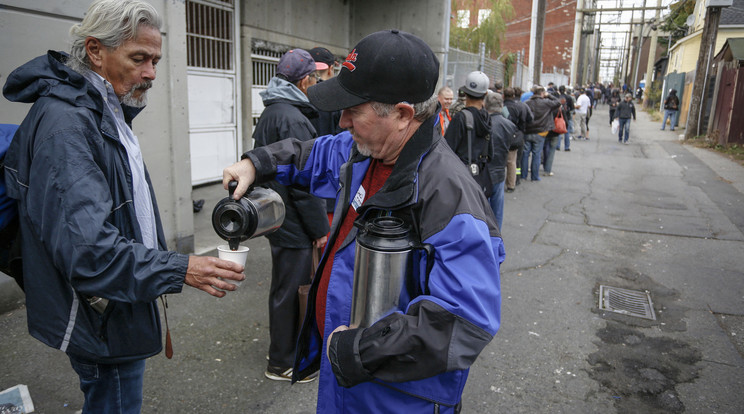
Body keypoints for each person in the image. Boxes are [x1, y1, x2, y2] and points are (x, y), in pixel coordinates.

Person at [223, 29, 503, 413]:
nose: (341, 122)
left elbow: (466, 322)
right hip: (348, 384)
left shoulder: (449, 196)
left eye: (353, 111)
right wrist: (257, 163)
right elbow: (311, 154)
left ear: (403, 115)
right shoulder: (366, 150)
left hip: (397, 398)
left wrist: (358, 351)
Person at [1, 1, 245, 413]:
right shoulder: (68, 125)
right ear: (95, 51)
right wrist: (180, 268)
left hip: (117, 300)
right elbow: (89, 252)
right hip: (102, 313)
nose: (151, 73)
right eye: (139, 58)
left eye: (155, 60)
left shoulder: (105, 108)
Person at [253, 49, 330, 382]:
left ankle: (281, 352)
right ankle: (283, 361)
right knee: (293, 290)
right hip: (294, 220)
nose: (314, 83)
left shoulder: (273, 111)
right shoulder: (294, 117)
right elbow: (305, 183)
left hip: (277, 215)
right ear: (305, 80)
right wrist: (319, 228)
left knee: (283, 288)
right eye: (313, 78)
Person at [444, 71, 493, 196]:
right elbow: (490, 153)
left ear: (465, 92)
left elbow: (446, 151)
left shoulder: (461, 118)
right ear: (485, 94)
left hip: (461, 178)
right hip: (480, 177)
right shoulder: (487, 117)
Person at [484, 91, 517, 230]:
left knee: (482, 207)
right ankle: (496, 236)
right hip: (499, 169)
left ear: (486, 105)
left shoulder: (483, 123)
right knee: (497, 209)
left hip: (483, 171)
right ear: (501, 105)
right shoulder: (509, 125)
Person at [523, 85, 560, 182]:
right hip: (540, 132)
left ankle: (523, 175)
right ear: (542, 94)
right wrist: (549, 96)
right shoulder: (546, 103)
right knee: (537, 154)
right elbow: (558, 102)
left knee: (525, 154)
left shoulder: (527, 103)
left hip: (528, 131)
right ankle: (534, 176)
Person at [504, 87, 532, 192]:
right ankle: (513, 182)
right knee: (514, 161)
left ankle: (499, 182)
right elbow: (529, 119)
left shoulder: (502, 106)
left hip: (502, 136)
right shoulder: (521, 106)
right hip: (517, 136)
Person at [557, 85, 574, 151]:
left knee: (558, 131)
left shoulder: (557, 97)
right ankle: (566, 147)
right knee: (567, 132)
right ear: (565, 90)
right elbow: (572, 108)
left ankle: (557, 146)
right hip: (567, 116)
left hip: (559, 116)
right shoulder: (569, 97)